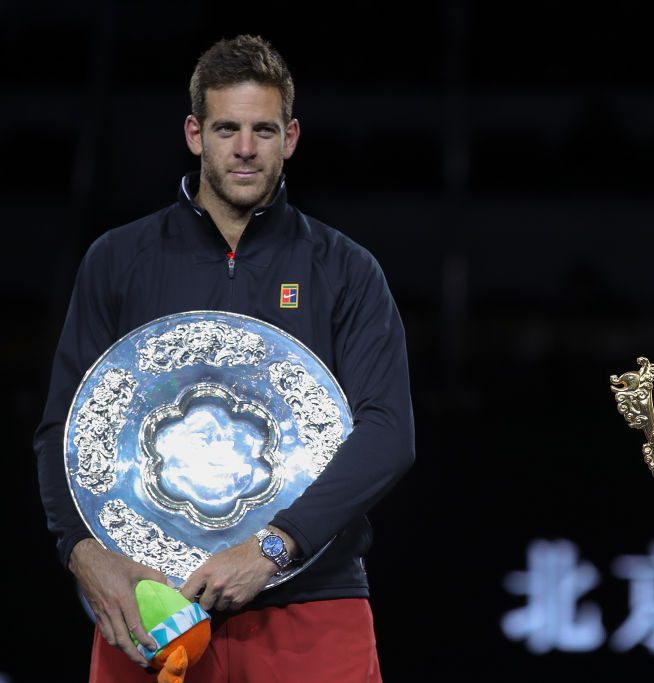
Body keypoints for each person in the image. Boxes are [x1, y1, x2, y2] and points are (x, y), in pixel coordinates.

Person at [33, 34, 415, 682]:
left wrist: (273, 547)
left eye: (263, 129)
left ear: (290, 136)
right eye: (226, 128)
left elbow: (389, 432)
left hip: (310, 604)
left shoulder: (345, 270)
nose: (245, 148)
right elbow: (63, 429)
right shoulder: (118, 261)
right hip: (151, 606)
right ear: (193, 132)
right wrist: (80, 549)